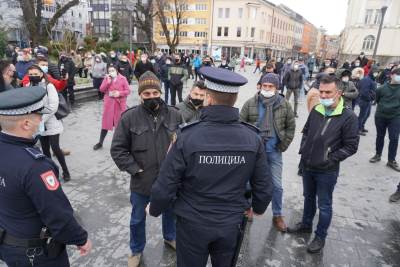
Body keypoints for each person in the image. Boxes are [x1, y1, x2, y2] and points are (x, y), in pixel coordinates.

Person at [149, 66, 273, 267]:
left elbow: (167, 182)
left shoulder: (187, 136)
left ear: (209, 97)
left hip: (192, 223)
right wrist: (258, 209)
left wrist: (154, 208)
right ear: (234, 98)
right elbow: (264, 185)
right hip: (230, 223)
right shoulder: (252, 138)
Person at [0, 87, 92, 266]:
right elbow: (57, 214)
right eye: (39, 116)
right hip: (36, 253)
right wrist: (80, 239)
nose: (42, 119)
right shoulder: (36, 166)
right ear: (26, 123)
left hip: (8, 244)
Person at [110, 71, 182, 267]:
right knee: (137, 219)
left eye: (155, 92)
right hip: (142, 181)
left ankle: (170, 237)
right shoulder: (129, 118)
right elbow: (118, 149)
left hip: (168, 181)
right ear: (140, 95)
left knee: (171, 213)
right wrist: (135, 170)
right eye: (146, 94)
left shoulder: (175, 114)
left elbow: (184, 146)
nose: (152, 97)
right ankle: (136, 249)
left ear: (160, 92)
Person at [288, 75, 359, 253]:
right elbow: (306, 132)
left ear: (339, 93)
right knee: (308, 198)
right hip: (308, 165)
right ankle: (306, 224)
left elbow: (351, 146)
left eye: (329, 92)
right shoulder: (317, 109)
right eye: (321, 91)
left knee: (324, 205)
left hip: (327, 170)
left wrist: (330, 158)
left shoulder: (348, 116)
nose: (324, 95)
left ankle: (320, 237)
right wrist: (303, 152)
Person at [240, 73, 295, 232]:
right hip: (254, 151)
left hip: (274, 151)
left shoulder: (284, 104)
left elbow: (290, 127)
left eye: (270, 87)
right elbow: (240, 124)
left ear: (276, 88)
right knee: (248, 182)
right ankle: (247, 208)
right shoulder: (251, 103)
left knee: (276, 186)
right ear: (260, 86)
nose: (267, 89)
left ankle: (277, 215)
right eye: (264, 86)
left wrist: (283, 145)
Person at [25, 65, 71, 182]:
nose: (33, 76)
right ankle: (52, 171)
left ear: (41, 74)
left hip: (51, 122)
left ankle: (65, 171)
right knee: (45, 150)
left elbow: (53, 106)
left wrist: (41, 119)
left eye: (35, 74)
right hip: (38, 123)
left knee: (55, 148)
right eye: (31, 74)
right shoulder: (28, 86)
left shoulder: (49, 86)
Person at [93, 65, 131, 150]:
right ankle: (100, 142)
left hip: (119, 105)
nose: (111, 72)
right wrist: (108, 82)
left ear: (117, 70)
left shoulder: (123, 78)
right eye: (109, 71)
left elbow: (128, 91)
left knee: (120, 126)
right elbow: (101, 89)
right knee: (105, 124)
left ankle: (120, 144)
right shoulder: (107, 78)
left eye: (113, 70)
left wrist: (119, 93)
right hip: (109, 105)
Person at [369, 68, 400, 172]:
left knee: (394, 138)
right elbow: (377, 100)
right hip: (381, 116)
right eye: (397, 74)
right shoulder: (381, 88)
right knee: (380, 136)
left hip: (395, 117)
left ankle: (391, 160)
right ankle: (378, 154)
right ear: (391, 75)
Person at [358, 67, 378, 136]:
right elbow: (364, 92)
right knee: (362, 115)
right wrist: (370, 98)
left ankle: (362, 127)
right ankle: (358, 129)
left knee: (367, 115)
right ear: (371, 72)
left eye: (377, 72)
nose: (376, 73)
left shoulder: (372, 79)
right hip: (364, 100)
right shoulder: (367, 79)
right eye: (375, 72)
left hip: (368, 100)